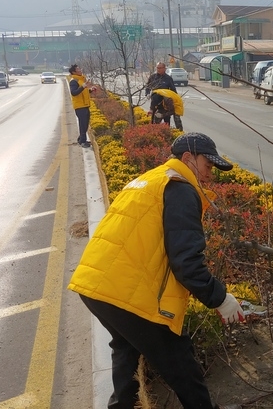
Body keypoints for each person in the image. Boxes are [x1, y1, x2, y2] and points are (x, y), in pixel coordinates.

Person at [68, 132, 244, 409]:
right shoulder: (180, 188)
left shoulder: (150, 179)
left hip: (96, 284)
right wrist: (220, 299)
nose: (211, 174)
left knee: (126, 349)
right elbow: (186, 262)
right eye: (208, 166)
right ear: (188, 158)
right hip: (126, 292)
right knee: (180, 361)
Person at [145, 61, 183, 129]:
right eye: (157, 68)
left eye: (160, 68)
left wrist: (175, 100)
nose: (158, 69)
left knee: (166, 121)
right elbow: (148, 87)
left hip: (165, 103)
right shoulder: (153, 77)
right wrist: (147, 93)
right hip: (155, 103)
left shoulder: (168, 78)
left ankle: (166, 133)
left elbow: (173, 90)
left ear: (164, 68)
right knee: (154, 122)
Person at [69, 64, 96, 148]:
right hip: (80, 106)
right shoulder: (74, 81)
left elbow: (83, 92)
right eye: (78, 69)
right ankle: (83, 141)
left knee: (85, 124)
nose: (80, 70)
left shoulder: (81, 80)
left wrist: (90, 90)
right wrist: (83, 87)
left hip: (85, 105)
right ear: (74, 72)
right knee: (82, 124)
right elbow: (74, 93)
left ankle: (81, 139)